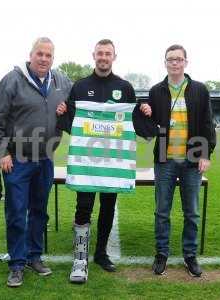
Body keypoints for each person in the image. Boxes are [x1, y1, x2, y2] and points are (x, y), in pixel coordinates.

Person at [0, 37, 71, 287]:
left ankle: (34, 256)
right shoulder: (12, 80)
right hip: (18, 159)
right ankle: (16, 263)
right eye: (40, 54)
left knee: (39, 211)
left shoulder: (61, 81)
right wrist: (2, 152)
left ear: (53, 58)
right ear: (31, 54)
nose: (44, 59)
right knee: (16, 212)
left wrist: (67, 108)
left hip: (46, 158)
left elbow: (80, 102)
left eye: (48, 55)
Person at [57, 39, 140, 283]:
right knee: (83, 207)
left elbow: (131, 119)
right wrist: (63, 112)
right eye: (100, 53)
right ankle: (80, 258)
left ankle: (101, 253)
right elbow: (73, 120)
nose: (103, 57)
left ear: (114, 57)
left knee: (107, 207)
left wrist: (145, 112)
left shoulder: (124, 87)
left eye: (108, 54)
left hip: (112, 164)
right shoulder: (81, 86)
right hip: (86, 163)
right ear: (94, 55)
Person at [139, 44, 216, 277]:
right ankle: (161, 254)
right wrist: (145, 111)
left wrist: (205, 154)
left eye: (178, 59)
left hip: (192, 159)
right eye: (171, 59)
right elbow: (150, 126)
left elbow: (207, 123)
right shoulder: (156, 90)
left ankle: (189, 256)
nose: (175, 63)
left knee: (191, 212)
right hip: (165, 159)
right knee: (162, 211)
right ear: (165, 63)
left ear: (186, 62)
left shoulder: (200, 90)